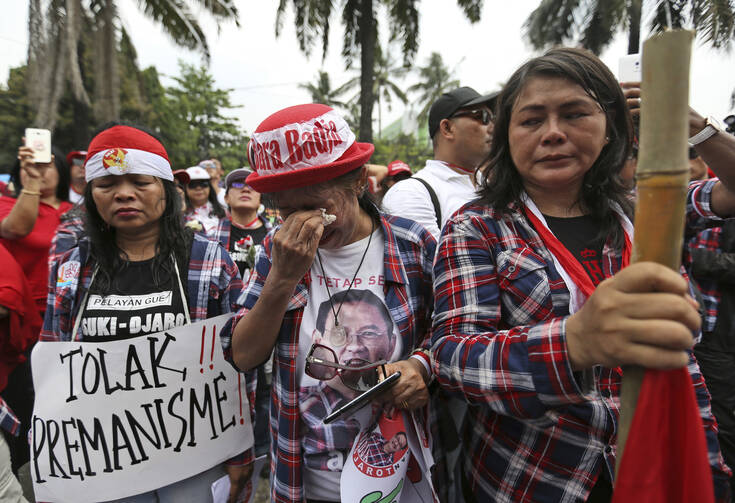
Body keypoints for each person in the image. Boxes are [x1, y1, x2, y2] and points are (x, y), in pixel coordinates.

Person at [430, 47, 732, 503]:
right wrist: (575, 341)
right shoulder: (478, 226)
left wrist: (698, 129)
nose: (553, 133)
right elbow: (452, 356)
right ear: (506, 137)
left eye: (574, 114)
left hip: (666, 452)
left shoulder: (648, 208)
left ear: (610, 126)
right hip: (538, 474)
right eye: (531, 120)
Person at [223, 103, 435, 502]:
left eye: (317, 206)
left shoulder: (413, 244)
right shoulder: (276, 247)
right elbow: (243, 354)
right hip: (307, 482)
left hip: (402, 477)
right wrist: (283, 276)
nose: (304, 222)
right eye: (287, 210)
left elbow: (451, 335)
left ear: (357, 181)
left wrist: (421, 367)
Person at [40, 124, 253, 503]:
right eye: (106, 185)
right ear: (91, 198)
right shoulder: (72, 267)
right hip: (103, 453)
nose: (124, 194)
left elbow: (236, 363)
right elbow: (54, 362)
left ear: (167, 192)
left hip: (196, 451)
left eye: (140, 182)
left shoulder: (208, 261)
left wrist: (239, 450)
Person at [382, 87, 497, 238]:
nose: (492, 127)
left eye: (493, 118)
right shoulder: (411, 194)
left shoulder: (492, 186)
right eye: (482, 117)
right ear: (447, 128)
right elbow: (433, 261)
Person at [214, 168, 273, 281]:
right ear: (226, 198)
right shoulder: (211, 235)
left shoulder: (275, 236)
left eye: (252, 185)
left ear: (260, 199)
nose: (245, 189)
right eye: (237, 184)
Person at [184, 165, 226, 236]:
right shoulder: (179, 214)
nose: (198, 188)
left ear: (210, 187)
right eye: (193, 185)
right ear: (184, 188)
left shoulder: (224, 213)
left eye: (203, 184)